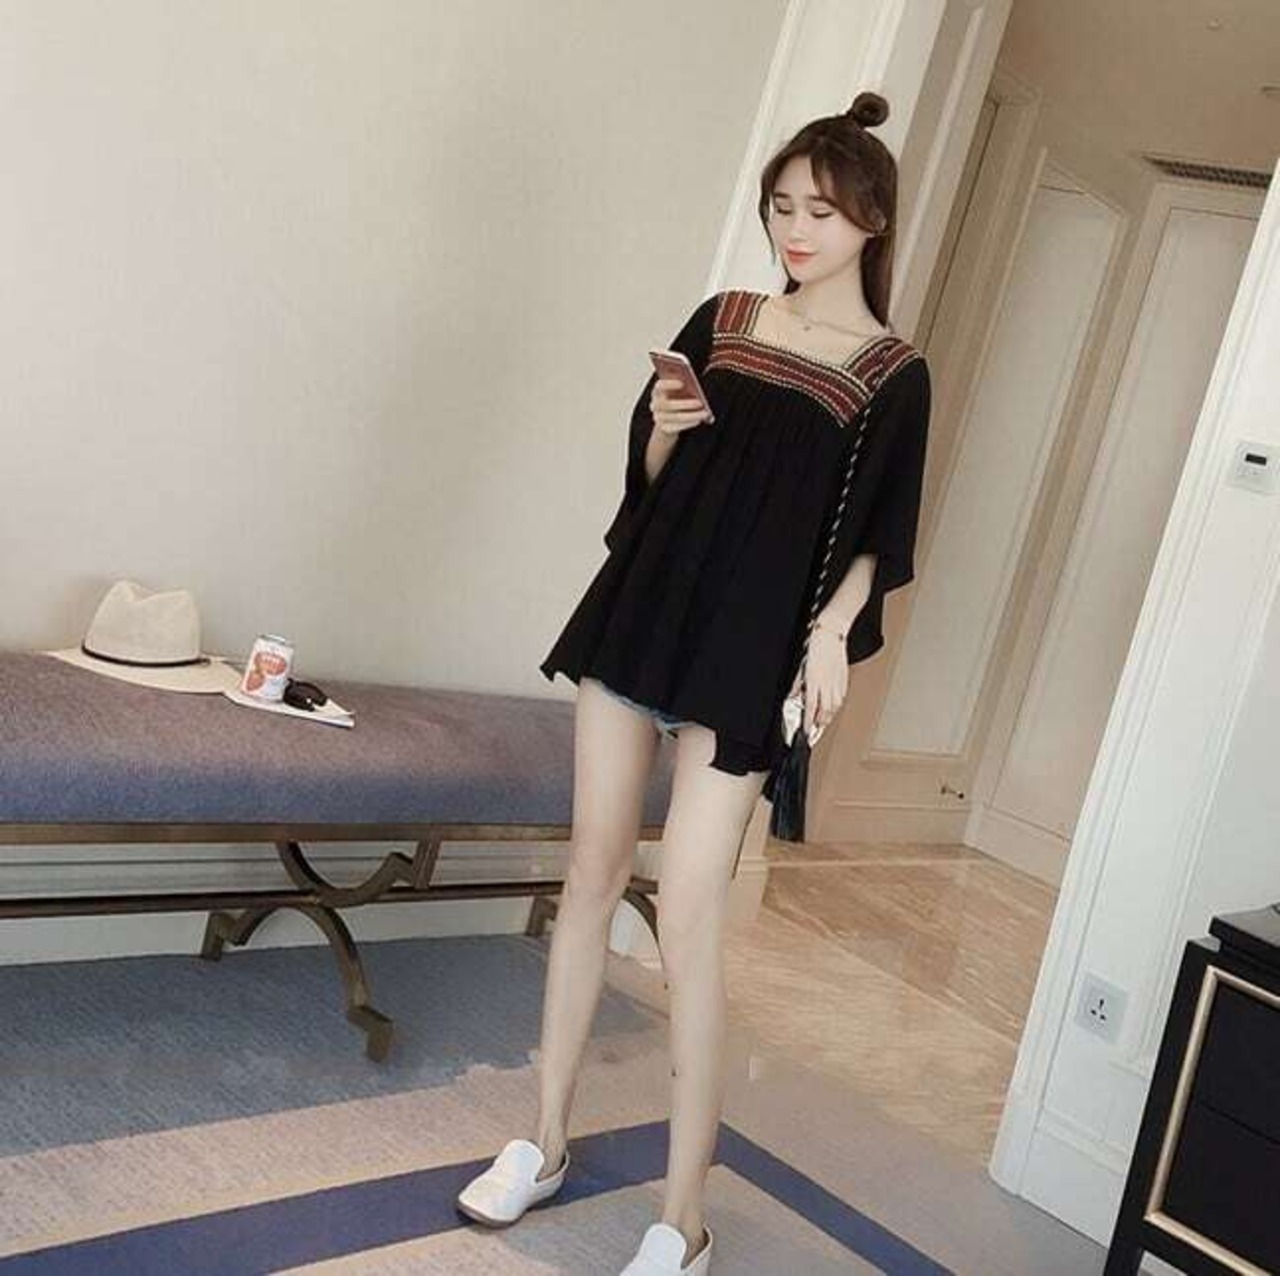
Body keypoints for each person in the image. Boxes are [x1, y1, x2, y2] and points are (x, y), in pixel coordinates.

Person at [456, 88, 931, 1275]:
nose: (794, 230)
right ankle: (543, 1139)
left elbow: (877, 532)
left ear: (870, 220)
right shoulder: (722, 318)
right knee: (588, 874)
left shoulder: (891, 373)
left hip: (748, 650)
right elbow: (655, 471)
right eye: (781, 206)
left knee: (689, 919)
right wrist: (667, 422)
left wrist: (829, 634)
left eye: (819, 210)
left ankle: (683, 1217)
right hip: (647, 612)